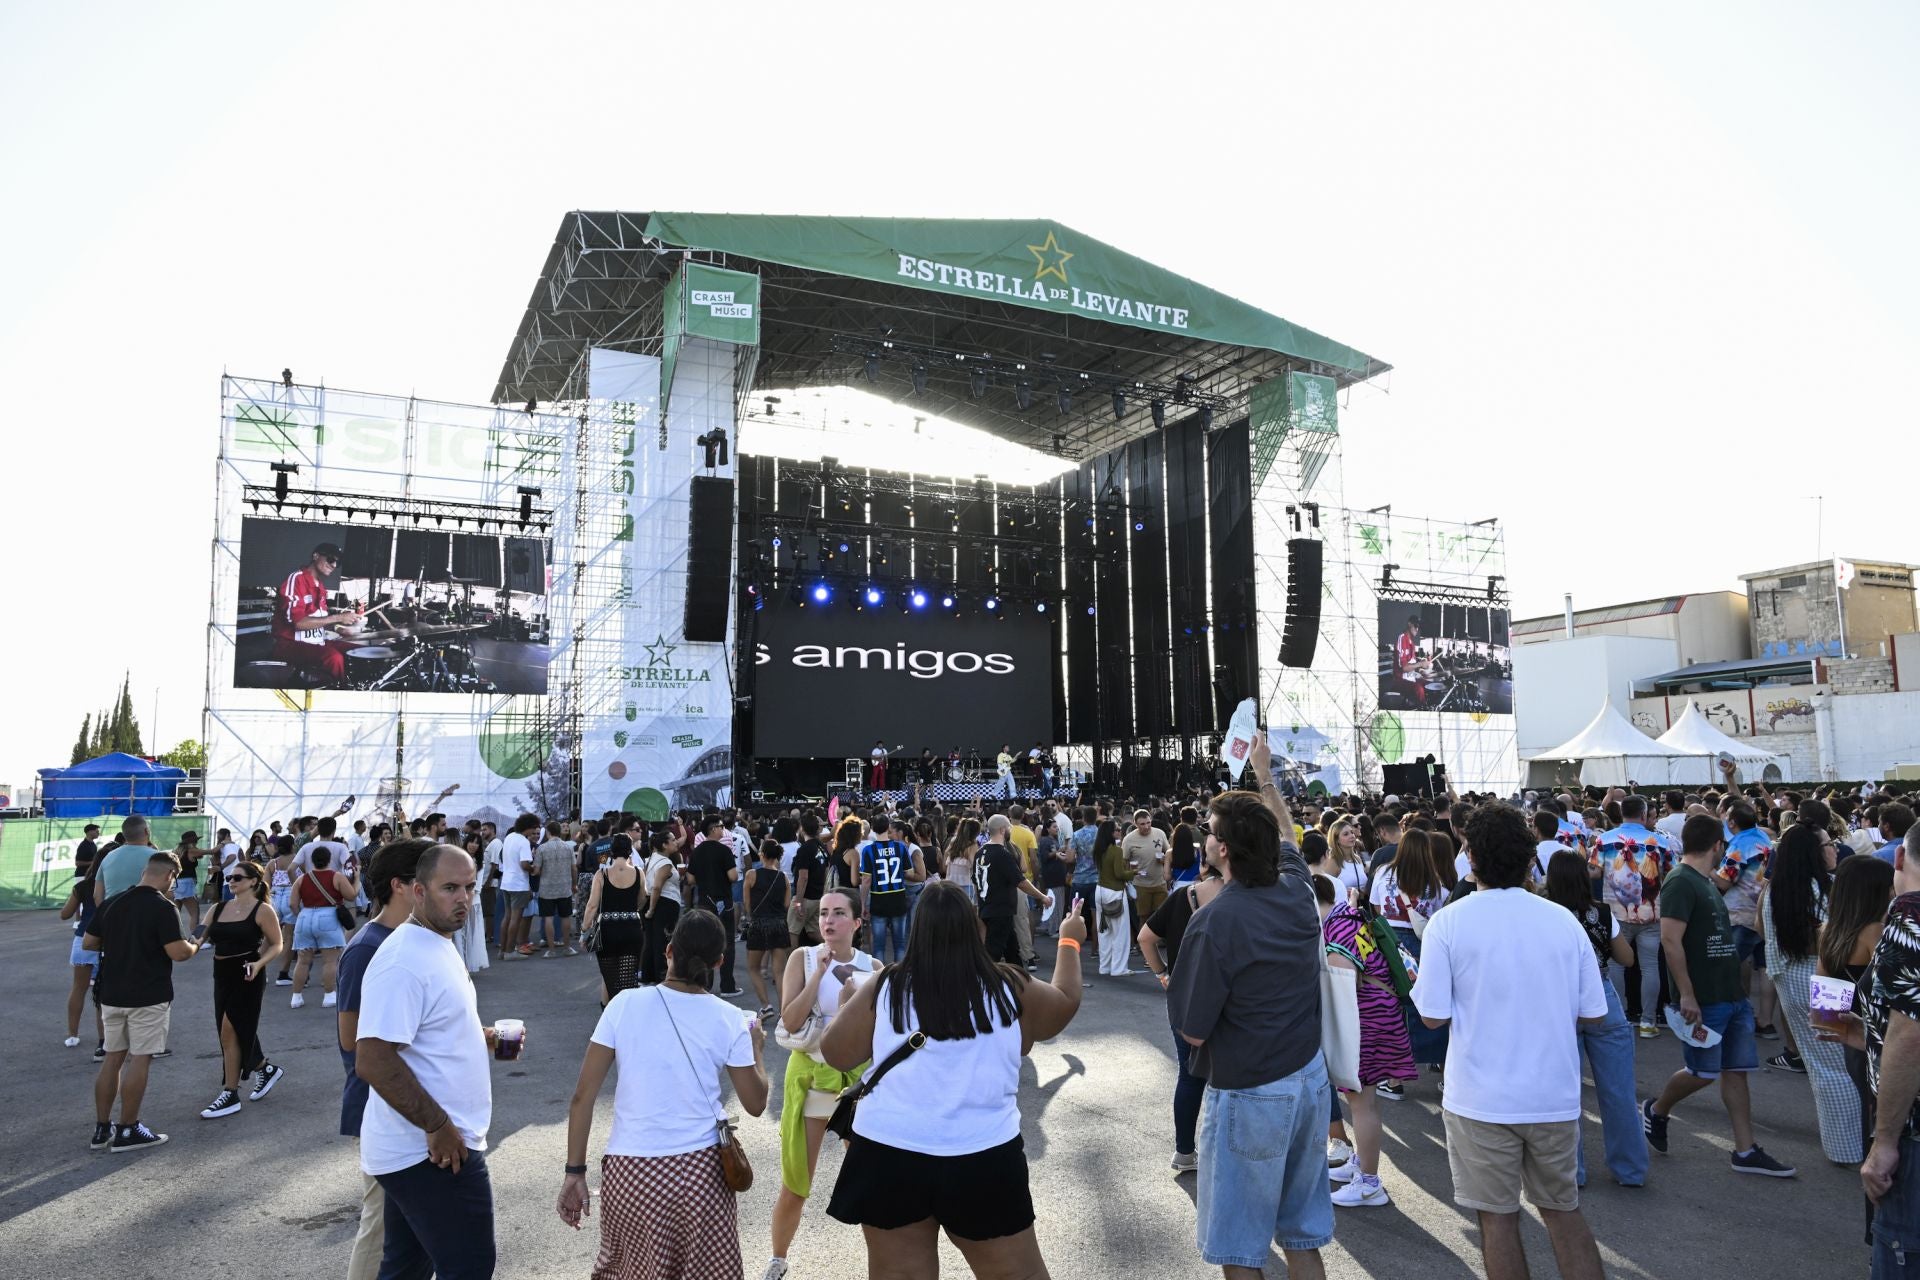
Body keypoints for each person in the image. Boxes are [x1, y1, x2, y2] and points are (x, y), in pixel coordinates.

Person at [819, 880, 1084, 1277]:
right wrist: (1069, 941)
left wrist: (845, 1007)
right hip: (982, 1154)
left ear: (917, 928)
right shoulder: (1008, 985)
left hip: (890, 1151)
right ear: (975, 927)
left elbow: (835, 1051)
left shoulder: (886, 984)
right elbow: (1064, 1002)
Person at [1411, 804, 1608, 1280]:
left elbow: (1432, 1017)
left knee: (1496, 1221)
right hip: (1552, 1097)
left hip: (1480, 1100)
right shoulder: (1563, 921)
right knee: (1563, 1212)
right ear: (1527, 859)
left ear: (1471, 856)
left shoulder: (1449, 923)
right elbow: (1594, 1014)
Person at [1169, 736, 1332, 1280]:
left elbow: (1192, 1034)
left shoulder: (1214, 923)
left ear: (1222, 851)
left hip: (1249, 1091)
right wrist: (1263, 776)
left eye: (1212, 833)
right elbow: (1287, 835)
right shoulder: (1296, 889)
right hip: (1309, 1079)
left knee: (1240, 1249)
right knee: (1303, 1237)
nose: (1206, 839)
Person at [559, 909, 770, 1280]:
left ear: (668, 951)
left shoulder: (623, 1004)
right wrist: (758, 1051)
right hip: (701, 1173)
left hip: (632, 1171)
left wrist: (575, 1173)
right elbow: (755, 1104)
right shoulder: (730, 1018)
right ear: (720, 962)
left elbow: (583, 1096)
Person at [355, 842, 497, 1278]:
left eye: (470, 888)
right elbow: (373, 1059)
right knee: (469, 1265)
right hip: (431, 1149)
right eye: (449, 888)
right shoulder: (404, 959)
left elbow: (423, 1033)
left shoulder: (437, 944)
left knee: (406, 1268)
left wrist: (479, 1037)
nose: (463, 899)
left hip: (427, 1146)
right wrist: (437, 1126)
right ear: (418, 891)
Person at [1641, 813, 1797, 1176]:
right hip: (1706, 998)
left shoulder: (1703, 881)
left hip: (1730, 995)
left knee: (1737, 1071)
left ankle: (1745, 1151)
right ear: (1716, 845)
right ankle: (1656, 1109)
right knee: (1702, 1071)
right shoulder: (1681, 881)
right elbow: (1669, 940)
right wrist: (1687, 995)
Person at [764, 888, 879, 1280]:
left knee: (870, 1177)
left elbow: (877, 1035)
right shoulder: (803, 957)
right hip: (812, 1075)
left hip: (855, 1083)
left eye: (838, 913)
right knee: (797, 1179)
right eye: (824, 913)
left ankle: (881, 1262)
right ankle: (777, 1260)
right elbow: (791, 1020)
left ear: (857, 922)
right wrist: (818, 975)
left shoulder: (872, 966)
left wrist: (850, 1005)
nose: (828, 920)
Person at [337, 838, 428, 1280]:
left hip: (409, 1102)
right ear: (402, 886)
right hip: (383, 1104)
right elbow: (352, 1039)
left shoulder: (408, 939)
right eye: (433, 881)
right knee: (381, 1226)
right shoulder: (368, 948)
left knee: (412, 1227)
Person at [1542, 851, 1647, 1189]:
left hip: (1560, 1001)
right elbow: (1627, 959)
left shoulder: (1547, 915)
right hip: (1602, 997)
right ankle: (1630, 1170)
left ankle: (1574, 1172)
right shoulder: (1600, 913)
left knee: (1566, 1092)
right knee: (1618, 1091)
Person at [1321, 849, 1419, 1208]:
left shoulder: (1336, 928)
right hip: (1382, 1014)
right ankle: (1361, 1166)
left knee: (1362, 1104)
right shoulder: (1349, 915)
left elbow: (1343, 985)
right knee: (1364, 1100)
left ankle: (1368, 1182)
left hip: (1363, 1021)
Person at [84, 850, 199, 1152]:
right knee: (141, 1058)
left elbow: (89, 942)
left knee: (113, 1058)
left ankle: (101, 1129)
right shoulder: (163, 907)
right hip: (148, 994)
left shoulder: (113, 902)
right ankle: (128, 1129)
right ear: (169, 876)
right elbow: (178, 952)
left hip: (111, 992)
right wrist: (195, 945)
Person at [1763, 821, 1858, 1162]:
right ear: (1811, 854)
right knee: (1841, 1065)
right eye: (1828, 844)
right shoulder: (1828, 888)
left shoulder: (1777, 889)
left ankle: (1842, 1146)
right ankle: (1852, 1147)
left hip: (1791, 980)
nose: (1834, 848)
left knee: (1823, 1065)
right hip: (1827, 981)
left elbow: (1765, 932)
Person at [1140, 853, 1226, 1175]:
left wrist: (1163, 975)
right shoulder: (1241, 898)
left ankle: (1184, 1152)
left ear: (1205, 866)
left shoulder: (1184, 895)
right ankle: (1223, 1151)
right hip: (1226, 1000)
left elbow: (1145, 938)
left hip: (1184, 997)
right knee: (1228, 1075)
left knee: (1189, 1075)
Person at [197, 858, 288, 1119]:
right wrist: (184, 943)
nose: (231, 882)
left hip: (247, 974)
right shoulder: (217, 907)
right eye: (229, 878)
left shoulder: (263, 910)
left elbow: (277, 944)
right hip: (221, 974)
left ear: (253, 882)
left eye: (237, 877)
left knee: (229, 1030)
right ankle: (265, 1069)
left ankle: (230, 1092)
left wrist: (259, 964)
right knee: (237, 1028)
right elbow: (199, 932)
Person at [271, 541, 367, 685]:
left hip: (316, 642)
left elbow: (319, 621)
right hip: (290, 644)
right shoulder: (296, 579)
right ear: (316, 556)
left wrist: (339, 628)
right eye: (331, 559)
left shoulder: (320, 587)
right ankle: (338, 692)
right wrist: (337, 617)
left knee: (359, 651)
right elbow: (299, 623)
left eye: (337, 562)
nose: (334, 565)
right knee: (333, 657)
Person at [974, 815, 1052, 967]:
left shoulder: (980, 853)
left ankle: (1019, 982)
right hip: (999, 911)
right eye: (1009, 827)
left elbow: (976, 882)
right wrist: (1042, 897)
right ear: (1003, 830)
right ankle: (984, 986)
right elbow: (1021, 881)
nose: (1011, 829)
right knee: (993, 955)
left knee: (1012, 952)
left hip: (990, 909)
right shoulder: (1002, 854)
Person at [289, 844, 356, 1009]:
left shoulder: (302, 879)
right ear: (329, 860)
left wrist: (301, 915)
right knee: (329, 960)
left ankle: (296, 997)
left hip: (305, 917)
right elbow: (351, 896)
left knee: (303, 960)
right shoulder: (337, 876)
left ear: (312, 860)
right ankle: (329, 995)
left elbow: (292, 904)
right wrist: (358, 880)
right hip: (328, 917)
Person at [584, 834, 649, 1001]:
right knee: (628, 980)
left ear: (612, 851)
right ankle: (626, 1018)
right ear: (630, 851)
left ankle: (608, 1018)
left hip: (608, 931)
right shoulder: (638, 873)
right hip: (632, 929)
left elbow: (592, 906)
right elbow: (642, 899)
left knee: (609, 979)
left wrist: (585, 929)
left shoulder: (602, 874)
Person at [688, 816, 742, 996]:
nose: (723, 830)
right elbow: (733, 876)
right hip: (724, 902)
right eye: (720, 827)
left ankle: (706, 985)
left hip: (704, 902)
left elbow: (690, 879)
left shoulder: (697, 852)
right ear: (712, 829)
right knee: (727, 943)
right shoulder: (724, 851)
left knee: (705, 943)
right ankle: (727, 986)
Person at [860, 817, 924, 966]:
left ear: (873, 829)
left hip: (878, 900)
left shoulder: (868, 850)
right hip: (898, 898)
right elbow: (909, 873)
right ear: (888, 827)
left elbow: (866, 880)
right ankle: (899, 977)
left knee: (879, 946)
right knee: (900, 944)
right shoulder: (900, 848)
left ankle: (880, 978)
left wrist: (863, 903)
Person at [741, 840, 792, 1020]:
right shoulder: (783, 877)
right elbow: (787, 904)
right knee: (780, 972)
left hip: (759, 924)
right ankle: (784, 1011)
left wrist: (750, 916)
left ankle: (766, 1005)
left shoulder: (751, 875)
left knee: (754, 968)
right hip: (779, 925)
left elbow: (747, 903)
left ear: (761, 854)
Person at [642, 829, 687, 985]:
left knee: (651, 941)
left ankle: (648, 976)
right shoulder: (665, 863)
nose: (676, 842)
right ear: (664, 844)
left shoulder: (652, 858)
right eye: (673, 840)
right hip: (664, 903)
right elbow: (657, 887)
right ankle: (662, 977)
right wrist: (652, 909)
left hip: (653, 901)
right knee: (663, 941)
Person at [1094, 817, 1137, 977]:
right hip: (1115, 892)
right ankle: (1119, 968)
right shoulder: (1116, 851)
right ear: (1111, 833)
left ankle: (1104, 966)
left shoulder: (1099, 849)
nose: (1120, 831)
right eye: (1117, 830)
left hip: (1100, 891)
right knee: (1121, 933)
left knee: (1104, 931)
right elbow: (1120, 874)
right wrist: (1133, 873)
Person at [533, 820, 579, 956]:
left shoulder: (542, 848)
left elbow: (536, 870)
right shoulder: (568, 847)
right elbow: (574, 868)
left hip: (546, 888)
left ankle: (551, 949)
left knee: (548, 918)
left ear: (547, 832)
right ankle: (567, 947)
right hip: (564, 887)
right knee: (566, 917)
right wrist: (574, 884)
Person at [498, 813, 538, 959]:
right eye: (533, 828)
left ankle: (502, 950)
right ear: (527, 827)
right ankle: (510, 951)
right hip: (519, 884)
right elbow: (524, 864)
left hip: (506, 882)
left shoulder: (509, 837)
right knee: (516, 919)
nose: (533, 832)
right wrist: (534, 869)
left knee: (507, 917)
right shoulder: (523, 841)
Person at [1123, 807, 1172, 924]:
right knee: (1144, 918)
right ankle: (1143, 942)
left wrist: (1165, 860)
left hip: (1160, 882)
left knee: (1161, 918)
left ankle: (1159, 942)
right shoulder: (1128, 839)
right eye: (1142, 824)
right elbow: (1124, 862)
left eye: (1148, 823)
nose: (1146, 826)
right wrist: (1130, 873)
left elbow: (1169, 852)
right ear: (1135, 824)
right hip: (1141, 885)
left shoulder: (1159, 833)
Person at [1392, 614, 1429, 708]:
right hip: (1400, 680)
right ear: (1409, 624)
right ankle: (1423, 709)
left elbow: (1412, 665)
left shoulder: (1411, 643)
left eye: (1419, 627)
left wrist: (1421, 668)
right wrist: (1420, 663)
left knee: (1429, 684)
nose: (1417, 629)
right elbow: (1404, 668)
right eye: (1416, 626)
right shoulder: (1402, 638)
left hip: (1410, 678)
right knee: (1419, 689)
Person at [171, 831, 203, 933]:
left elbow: (199, 856)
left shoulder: (177, 851)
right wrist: (222, 844)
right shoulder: (190, 850)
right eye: (196, 841)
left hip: (176, 883)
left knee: (175, 913)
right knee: (194, 912)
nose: (197, 843)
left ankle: (172, 937)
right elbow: (209, 852)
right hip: (186, 884)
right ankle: (195, 939)